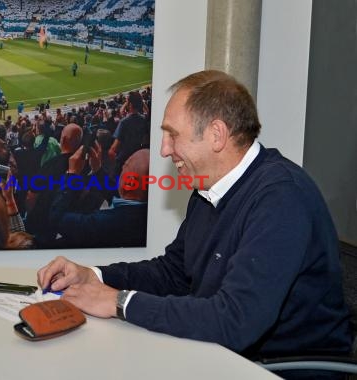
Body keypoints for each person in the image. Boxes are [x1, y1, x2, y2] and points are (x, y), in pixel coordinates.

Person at [37, 70, 351, 373]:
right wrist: (94, 276)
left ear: (216, 134)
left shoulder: (282, 199)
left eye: (173, 135)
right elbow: (173, 273)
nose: (164, 150)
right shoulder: (206, 190)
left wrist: (119, 302)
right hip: (223, 356)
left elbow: (235, 321)